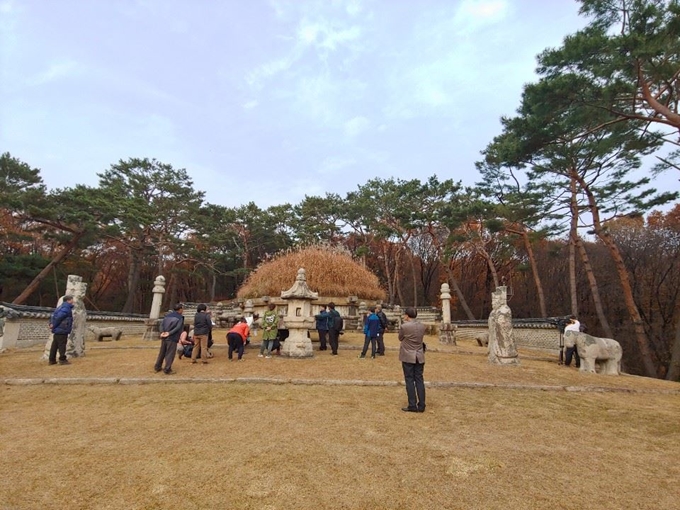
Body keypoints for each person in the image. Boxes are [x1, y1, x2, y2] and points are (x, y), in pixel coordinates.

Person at [398, 307, 426, 413]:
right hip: (419, 354)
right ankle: (422, 404)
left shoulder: (405, 327)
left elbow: (400, 338)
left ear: (407, 315)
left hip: (408, 355)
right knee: (419, 379)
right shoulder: (422, 326)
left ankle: (412, 404)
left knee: (409, 379)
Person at [155, 303, 185, 374]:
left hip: (164, 336)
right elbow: (178, 327)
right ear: (180, 309)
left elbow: (161, 325)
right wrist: (170, 333)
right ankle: (167, 369)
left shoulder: (167, 316)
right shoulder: (180, 317)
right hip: (172, 337)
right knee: (170, 353)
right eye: (182, 309)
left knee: (162, 352)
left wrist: (162, 332)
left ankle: (157, 366)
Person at [48, 295, 74, 365]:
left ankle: (52, 359)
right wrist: (54, 324)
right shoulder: (66, 308)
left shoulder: (60, 307)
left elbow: (53, 316)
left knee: (55, 345)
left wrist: (51, 323)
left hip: (58, 329)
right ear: (68, 300)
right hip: (62, 329)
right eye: (72, 300)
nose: (73, 301)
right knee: (62, 345)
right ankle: (62, 359)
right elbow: (59, 317)